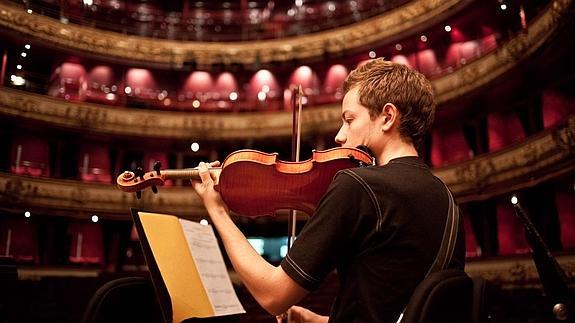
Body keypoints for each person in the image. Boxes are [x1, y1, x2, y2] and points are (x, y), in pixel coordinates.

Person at [192, 58, 465, 323]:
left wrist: (218, 211)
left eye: (349, 119)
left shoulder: (359, 185)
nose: (340, 135)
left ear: (387, 117)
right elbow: (395, 309)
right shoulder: (447, 200)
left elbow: (273, 295)